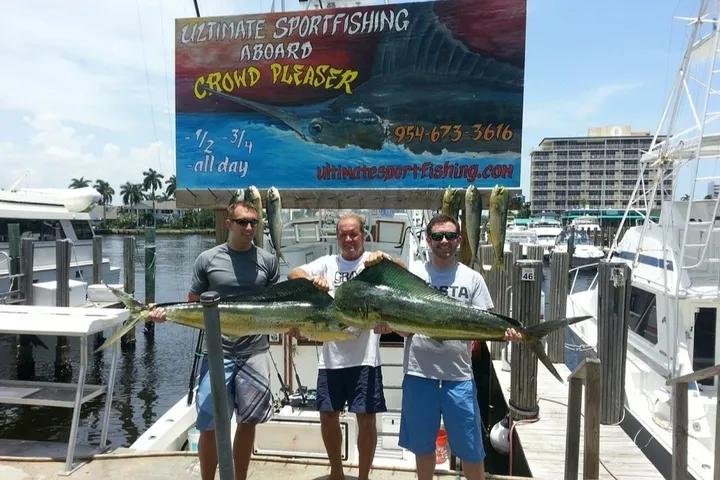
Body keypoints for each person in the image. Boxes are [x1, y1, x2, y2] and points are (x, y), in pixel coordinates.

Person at [147, 200, 280, 480]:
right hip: (217, 352)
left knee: (249, 421)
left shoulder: (268, 261)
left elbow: (274, 306)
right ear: (229, 224)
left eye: (253, 223)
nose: (248, 227)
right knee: (207, 424)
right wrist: (166, 315)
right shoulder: (207, 259)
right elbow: (192, 304)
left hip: (254, 352)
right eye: (243, 222)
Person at [394, 213, 521, 480]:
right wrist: (387, 323)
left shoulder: (472, 278)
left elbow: (484, 323)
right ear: (428, 240)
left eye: (450, 236)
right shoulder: (413, 274)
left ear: (459, 240)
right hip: (419, 376)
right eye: (438, 236)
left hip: (458, 379)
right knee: (423, 448)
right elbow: (406, 329)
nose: (444, 241)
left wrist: (504, 333)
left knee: (472, 451)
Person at [287, 213, 403, 480]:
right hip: (331, 359)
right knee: (328, 416)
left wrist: (386, 259)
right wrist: (312, 281)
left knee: (366, 419)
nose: (349, 239)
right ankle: (336, 473)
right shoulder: (328, 263)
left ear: (363, 235)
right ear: (337, 238)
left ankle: (363, 477)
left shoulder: (372, 262)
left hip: (366, 358)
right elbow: (294, 272)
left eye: (354, 233)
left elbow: (401, 268)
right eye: (343, 234)